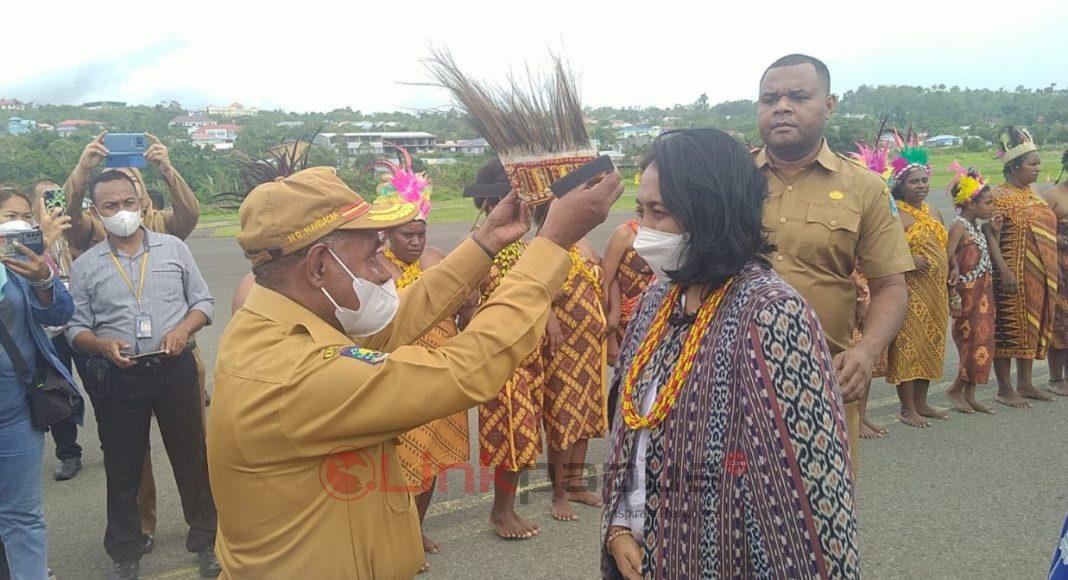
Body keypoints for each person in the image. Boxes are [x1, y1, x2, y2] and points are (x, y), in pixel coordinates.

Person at [208, 163, 622, 578]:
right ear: (318, 266)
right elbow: (465, 370)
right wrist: (551, 244)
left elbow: (395, 321)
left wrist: (485, 242)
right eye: (372, 256)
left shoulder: (275, 321)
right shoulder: (294, 373)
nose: (380, 271)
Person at [601, 129, 856, 578]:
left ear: (711, 210)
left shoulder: (771, 314)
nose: (644, 231)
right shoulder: (659, 301)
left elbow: (808, 497)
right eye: (641, 211)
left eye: (659, 212)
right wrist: (620, 525)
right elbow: (632, 438)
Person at [755, 53, 912, 467]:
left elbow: (890, 285)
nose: (782, 107)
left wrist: (868, 351)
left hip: (825, 378)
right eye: (769, 98)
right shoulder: (729, 180)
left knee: (821, 510)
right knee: (736, 507)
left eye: (798, 96)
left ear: (829, 105)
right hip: (736, 379)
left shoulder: (866, 188)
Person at [65, 170, 218, 580]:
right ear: (97, 212)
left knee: (192, 458)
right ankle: (126, 551)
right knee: (123, 465)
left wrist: (184, 329)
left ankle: (207, 542)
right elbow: (75, 327)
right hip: (121, 373)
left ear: (141, 203)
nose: (122, 212)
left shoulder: (173, 249)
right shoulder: (85, 265)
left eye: (128, 203)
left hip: (174, 368)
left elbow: (203, 301)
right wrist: (100, 346)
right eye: (110, 206)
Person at [373, 151, 469, 566]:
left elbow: (468, 297)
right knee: (400, 462)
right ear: (387, 235)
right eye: (406, 235)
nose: (415, 241)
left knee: (430, 462)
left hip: (439, 371)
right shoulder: (374, 267)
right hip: (398, 376)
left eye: (420, 233)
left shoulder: (436, 260)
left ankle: (416, 528)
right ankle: (395, 539)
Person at [460, 159, 545, 540]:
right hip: (497, 356)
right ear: (487, 204)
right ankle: (501, 513)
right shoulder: (477, 246)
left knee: (525, 436)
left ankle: (506, 508)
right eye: (500, 201)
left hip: (528, 354)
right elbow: (465, 306)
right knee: (511, 435)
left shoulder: (518, 243)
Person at [0, 186, 78, 580]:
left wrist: (43, 277)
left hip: (15, 413)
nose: (17, 226)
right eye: (6, 217)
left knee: (22, 515)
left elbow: (62, 312)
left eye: (24, 217)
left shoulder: (24, 269)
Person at [533, 202, 607, 523]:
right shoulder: (544, 244)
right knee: (564, 415)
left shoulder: (584, 242)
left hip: (590, 345)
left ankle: (576, 484)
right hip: (562, 345)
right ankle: (559, 494)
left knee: (586, 413)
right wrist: (548, 317)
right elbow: (534, 287)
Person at [987, 126, 1057, 407]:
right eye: (1033, 164)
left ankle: (1025, 384)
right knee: (1009, 329)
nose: (1038, 168)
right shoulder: (999, 197)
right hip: (1011, 275)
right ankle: (1005, 389)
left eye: (1038, 163)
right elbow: (990, 235)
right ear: (1015, 166)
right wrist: (1004, 272)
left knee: (1031, 327)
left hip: (1039, 276)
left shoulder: (1034, 194)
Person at [884, 146, 950, 428]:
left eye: (924, 180)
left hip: (936, 289)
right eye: (914, 181)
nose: (921, 186)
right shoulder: (895, 213)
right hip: (909, 290)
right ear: (900, 184)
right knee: (909, 344)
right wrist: (909, 259)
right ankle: (907, 407)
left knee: (931, 342)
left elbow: (944, 245)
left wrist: (954, 266)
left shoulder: (933, 210)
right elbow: (884, 249)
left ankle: (922, 403)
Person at [945, 167, 998, 414]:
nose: (992, 206)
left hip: (983, 292)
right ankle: (956, 388)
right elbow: (948, 255)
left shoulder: (976, 226)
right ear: (970, 202)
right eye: (987, 202)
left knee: (983, 340)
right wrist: (953, 287)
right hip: (967, 293)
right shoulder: (959, 226)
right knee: (968, 340)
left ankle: (971, 392)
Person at [600, 213, 654, 421]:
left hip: (656, 322)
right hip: (626, 328)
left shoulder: (668, 231)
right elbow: (606, 281)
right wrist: (611, 339)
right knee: (626, 386)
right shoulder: (625, 233)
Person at [1041, 150, 1068, 397]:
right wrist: (1058, 238)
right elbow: (1040, 230)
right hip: (1060, 266)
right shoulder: (1052, 196)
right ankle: (1055, 377)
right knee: (1059, 322)